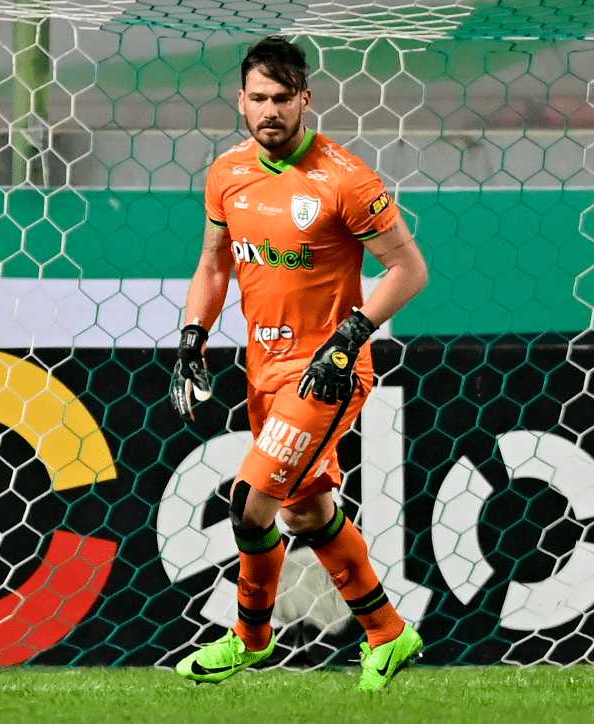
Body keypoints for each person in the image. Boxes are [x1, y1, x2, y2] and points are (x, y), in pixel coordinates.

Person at [168, 35, 430, 692]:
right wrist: (192, 336)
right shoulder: (228, 174)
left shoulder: (345, 180)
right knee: (306, 512)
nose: (270, 111)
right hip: (263, 371)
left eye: (283, 98)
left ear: (306, 99)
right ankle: (389, 634)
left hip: (328, 370)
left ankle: (250, 639)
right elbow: (213, 264)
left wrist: (351, 335)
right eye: (258, 98)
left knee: (250, 505)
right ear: (241, 101)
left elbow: (409, 268)